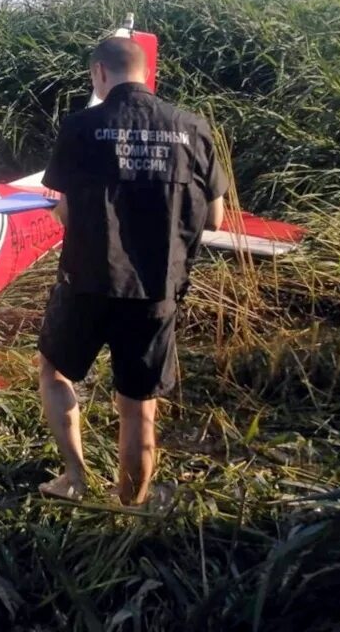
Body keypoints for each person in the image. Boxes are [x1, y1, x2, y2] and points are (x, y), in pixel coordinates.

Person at [36, 36, 227, 506]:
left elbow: (65, 212)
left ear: (99, 73)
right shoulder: (192, 127)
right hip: (157, 289)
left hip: (86, 280)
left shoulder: (81, 126)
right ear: (144, 71)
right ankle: (130, 505)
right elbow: (216, 218)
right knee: (139, 408)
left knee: (54, 372)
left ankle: (76, 479)